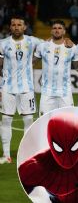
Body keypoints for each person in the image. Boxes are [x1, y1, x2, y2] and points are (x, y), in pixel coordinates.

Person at [0, 16, 42, 164]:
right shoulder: (3, 43)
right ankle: (6, 155)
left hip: (26, 87)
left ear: (24, 27)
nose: (16, 27)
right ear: (10, 27)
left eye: (19, 25)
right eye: (13, 25)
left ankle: (27, 154)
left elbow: (51, 45)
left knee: (28, 120)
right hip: (7, 87)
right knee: (5, 119)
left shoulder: (33, 41)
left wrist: (67, 43)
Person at [33, 20, 78, 116]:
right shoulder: (42, 46)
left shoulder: (72, 47)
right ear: (51, 31)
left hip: (65, 92)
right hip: (47, 92)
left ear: (64, 31)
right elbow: (32, 63)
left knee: (68, 123)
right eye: (54, 28)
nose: (57, 30)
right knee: (44, 122)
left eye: (60, 28)